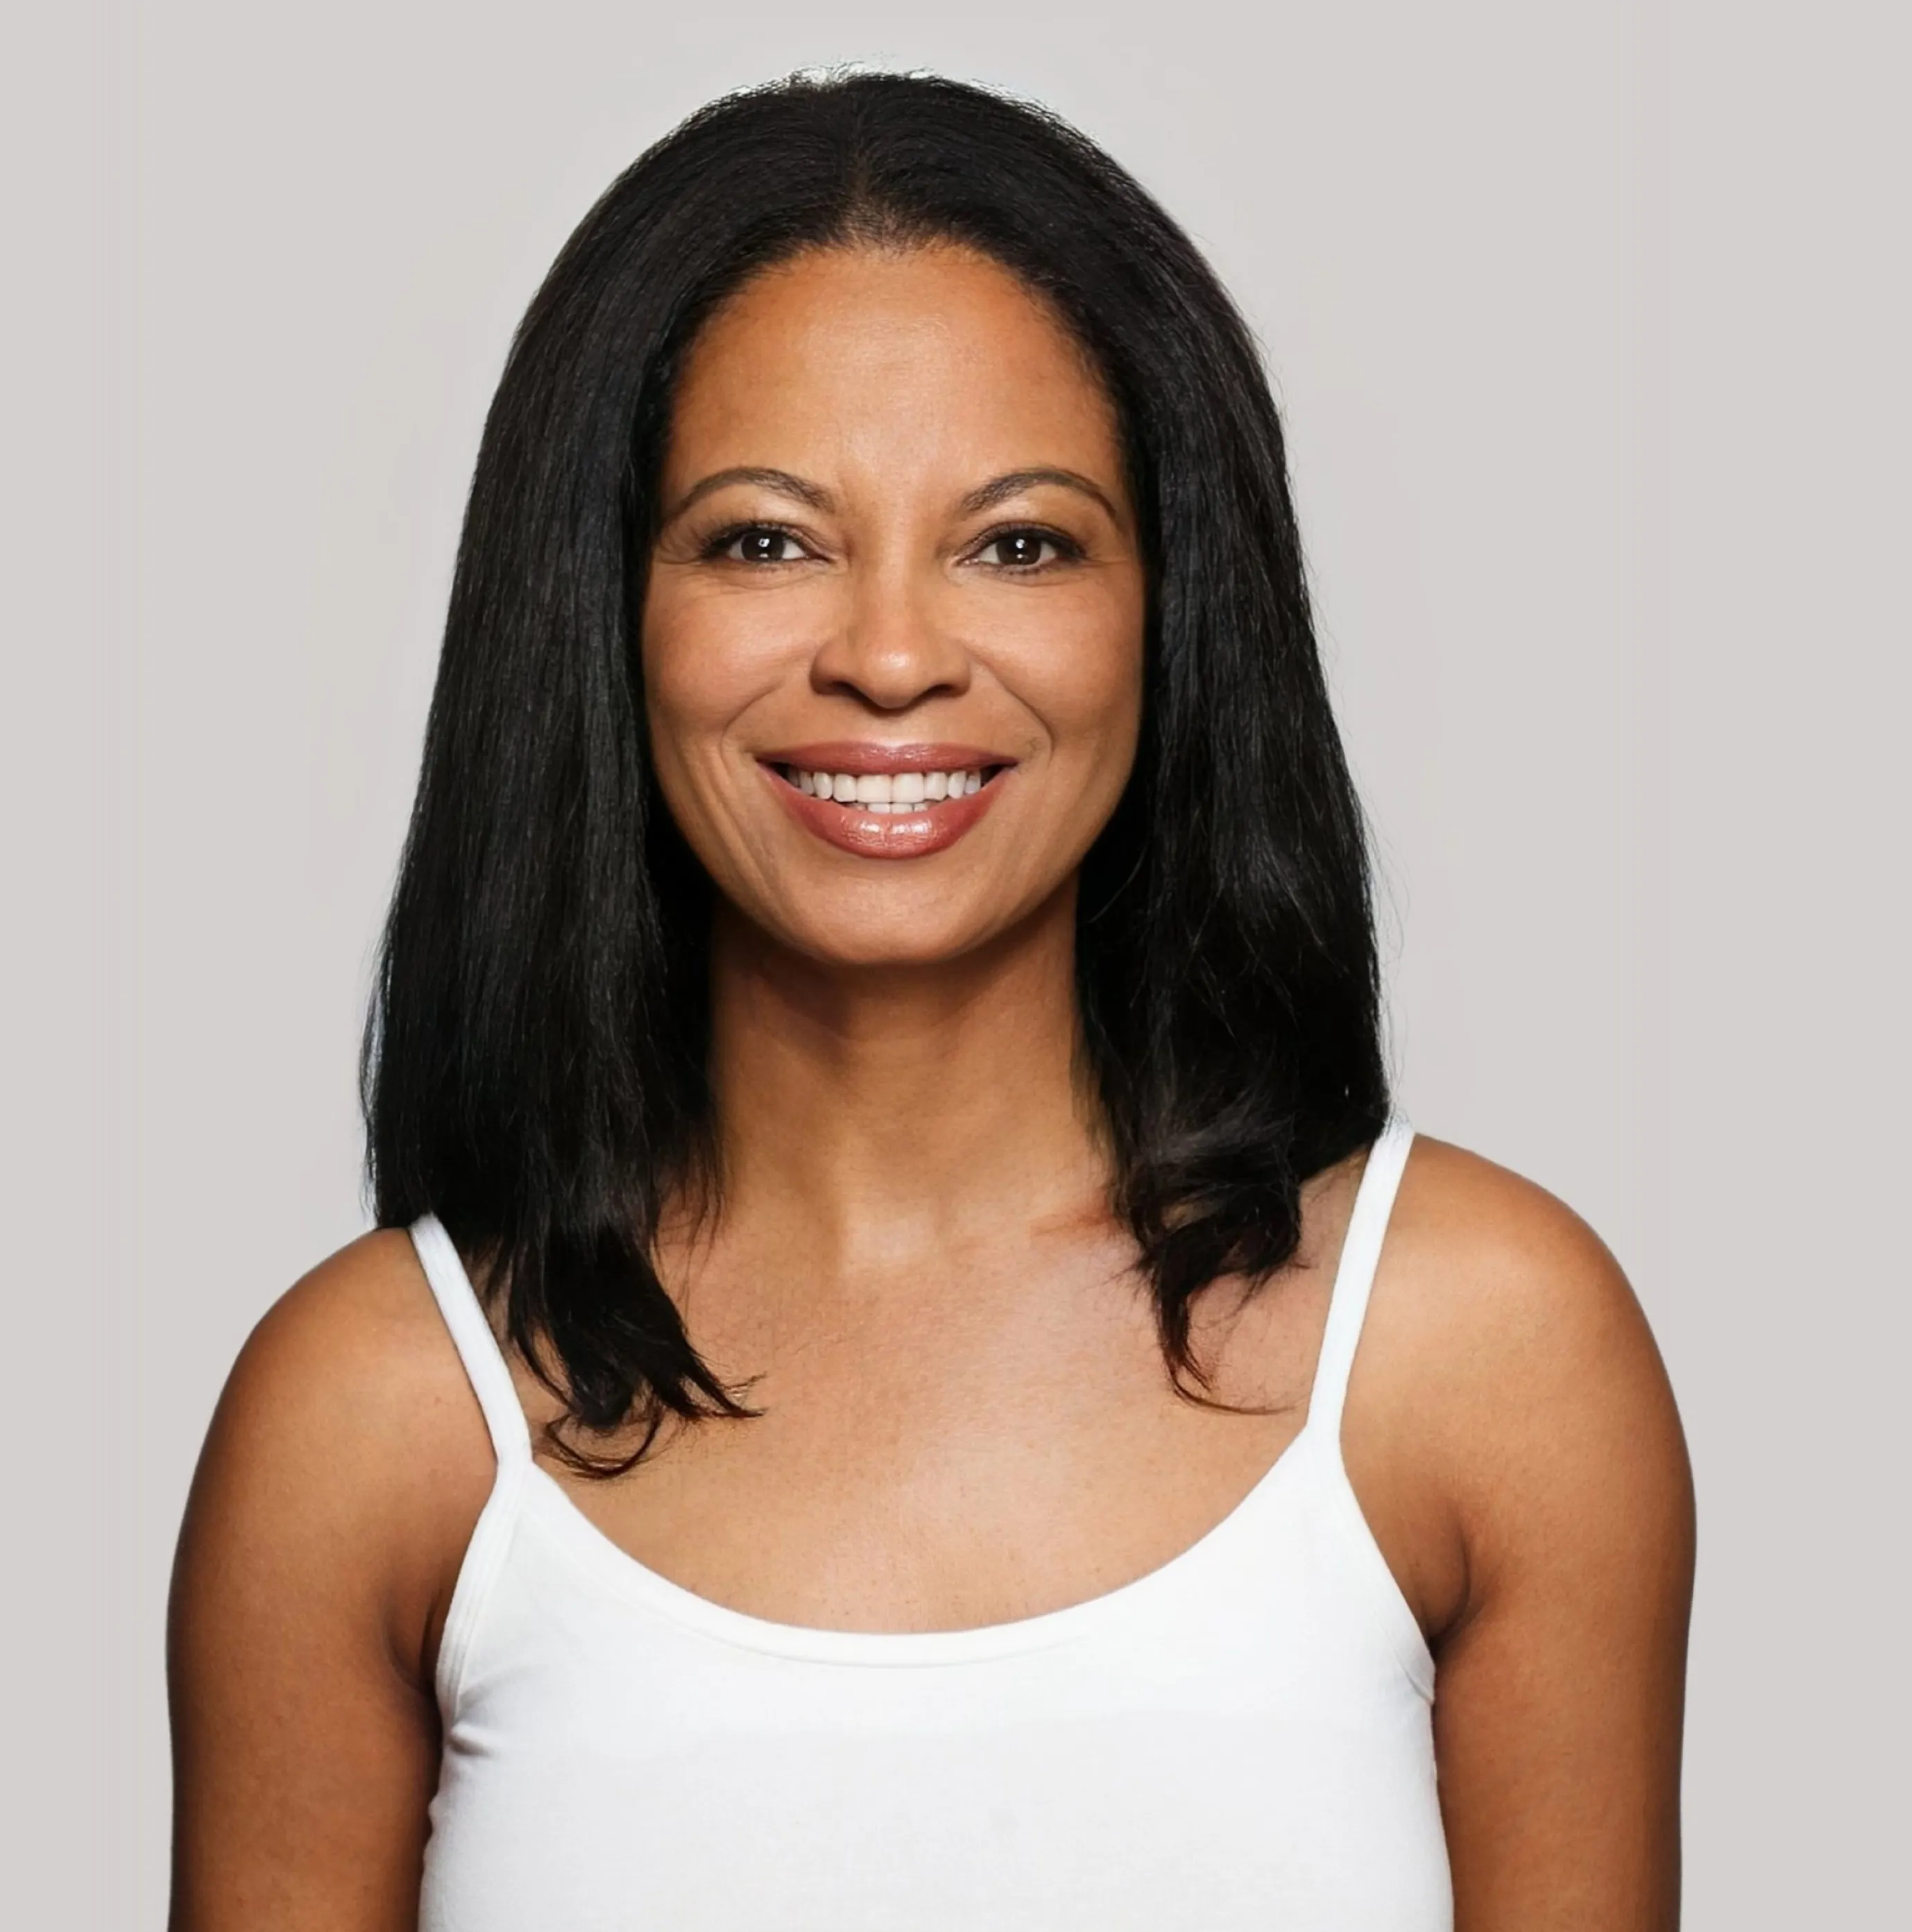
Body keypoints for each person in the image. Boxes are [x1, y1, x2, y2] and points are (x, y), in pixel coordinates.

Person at [167, 71, 1693, 1931]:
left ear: (1172, 613)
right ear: (600, 614)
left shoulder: (1481, 1355)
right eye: (762, 539)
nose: (889, 655)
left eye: (1019, 541)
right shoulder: (374, 1414)